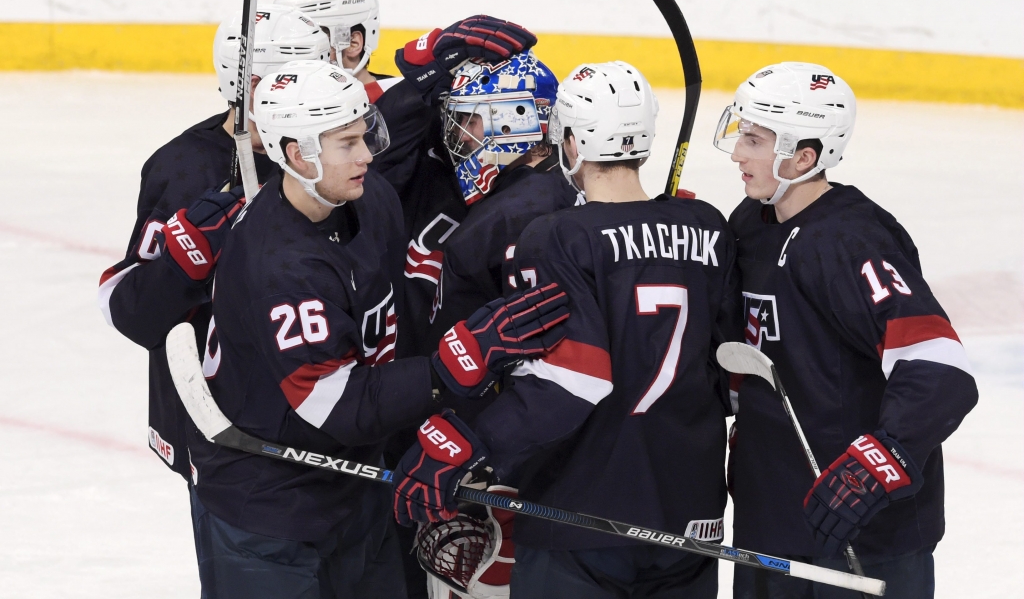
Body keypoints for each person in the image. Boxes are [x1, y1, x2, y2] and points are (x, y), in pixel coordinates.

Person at [188, 59, 570, 598]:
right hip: (270, 504)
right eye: (347, 143)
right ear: (298, 154)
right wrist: (453, 364)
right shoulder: (282, 267)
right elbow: (338, 406)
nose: (368, 155)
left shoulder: (371, 200)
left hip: (356, 484)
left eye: (365, 136)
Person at [393, 61, 743, 599]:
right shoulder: (708, 227)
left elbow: (573, 378)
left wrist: (471, 442)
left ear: (573, 141)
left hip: (580, 511)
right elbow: (728, 371)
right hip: (690, 514)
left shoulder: (555, 235)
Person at [716, 62, 979, 598]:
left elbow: (939, 369)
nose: (739, 152)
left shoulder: (851, 241)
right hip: (772, 523)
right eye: (741, 133)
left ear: (804, 155)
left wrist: (879, 463)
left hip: (862, 538)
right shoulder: (750, 222)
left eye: (755, 139)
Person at [97, 3, 328, 482]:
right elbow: (134, 313)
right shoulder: (185, 168)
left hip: (317, 412)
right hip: (221, 430)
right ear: (253, 86)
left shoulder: (329, 159)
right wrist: (183, 261)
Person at [427, 50, 582, 363]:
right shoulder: (585, 185)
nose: (460, 133)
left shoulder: (489, 227)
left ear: (516, 119)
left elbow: (451, 352)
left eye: (471, 119)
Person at [275, 0, 433, 197]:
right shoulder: (283, 107)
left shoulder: (412, 106)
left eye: (308, 40)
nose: (292, 54)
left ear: (352, 43)